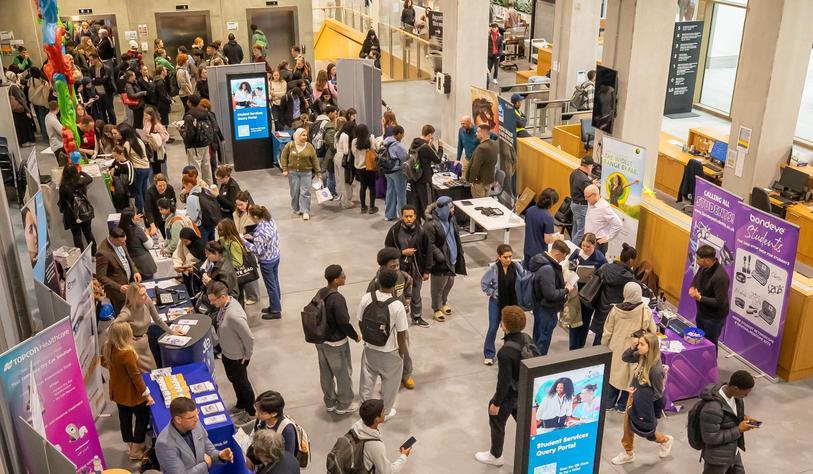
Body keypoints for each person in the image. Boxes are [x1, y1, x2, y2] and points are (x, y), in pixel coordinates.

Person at [475, 306, 530, 466]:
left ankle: (496, 455)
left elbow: (504, 381)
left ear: (504, 326)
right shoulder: (526, 338)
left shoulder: (505, 353)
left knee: (496, 419)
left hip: (510, 394)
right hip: (524, 391)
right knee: (524, 422)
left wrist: (496, 403)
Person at [611, 332, 674, 465]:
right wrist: (633, 347)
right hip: (634, 396)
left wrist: (644, 404)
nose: (639, 346)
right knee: (628, 426)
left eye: (642, 344)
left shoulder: (656, 370)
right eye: (639, 343)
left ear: (650, 347)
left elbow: (658, 393)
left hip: (643, 402)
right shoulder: (642, 357)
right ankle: (628, 453)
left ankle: (665, 440)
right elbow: (625, 357)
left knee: (644, 430)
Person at [358, 268, 409, 418]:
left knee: (367, 379)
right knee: (390, 383)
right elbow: (401, 332)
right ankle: (384, 413)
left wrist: (367, 339)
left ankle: (364, 409)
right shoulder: (397, 305)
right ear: (394, 285)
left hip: (370, 348)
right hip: (390, 351)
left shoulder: (367, 298)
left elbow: (360, 321)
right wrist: (401, 352)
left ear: (378, 281)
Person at [102, 322, 154, 461]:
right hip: (133, 395)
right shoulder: (127, 353)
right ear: (125, 335)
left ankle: (131, 445)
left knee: (124, 419)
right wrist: (147, 395)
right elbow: (136, 377)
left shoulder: (108, 347)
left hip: (118, 393)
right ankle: (136, 450)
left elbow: (103, 362)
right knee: (142, 418)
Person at [314, 265, 361, 414]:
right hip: (336, 343)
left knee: (325, 372)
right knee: (343, 374)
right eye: (342, 276)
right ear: (335, 280)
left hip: (320, 340)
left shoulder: (321, 292)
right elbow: (343, 322)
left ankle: (329, 401)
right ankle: (344, 404)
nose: (345, 276)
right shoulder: (337, 299)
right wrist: (355, 336)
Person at [603, 282, 656, 411]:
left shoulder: (615, 310)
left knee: (614, 375)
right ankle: (623, 405)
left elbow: (607, 331)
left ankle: (609, 403)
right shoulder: (645, 310)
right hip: (635, 349)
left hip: (616, 347)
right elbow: (653, 331)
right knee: (630, 378)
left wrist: (604, 346)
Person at [208, 281, 256, 425]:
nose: (211, 303)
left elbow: (249, 337)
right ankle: (241, 404)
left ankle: (251, 412)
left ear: (222, 297)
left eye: (213, 300)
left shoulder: (234, 315)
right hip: (227, 353)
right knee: (234, 380)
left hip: (237, 357)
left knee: (242, 383)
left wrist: (247, 355)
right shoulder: (224, 307)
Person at [368, 248, 415, 389]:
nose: (396, 269)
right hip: (384, 324)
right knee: (386, 352)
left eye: (398, 265)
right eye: (392, 267)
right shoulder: (376, 283)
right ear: (382, 267)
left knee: (404, 348)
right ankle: (388, 378)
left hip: (401, 320)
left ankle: (406, 375)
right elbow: (370, 302)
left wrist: (407, 299)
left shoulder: (402, 276)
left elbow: (409, 283)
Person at [698, 370, 757, 474]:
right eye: (746, 393)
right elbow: (710, 438)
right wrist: (739, 429)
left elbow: (729, 414)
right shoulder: (712, 409)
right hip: (717, 459)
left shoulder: (736, 397)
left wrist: (743, 417)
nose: (746, 396)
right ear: (735, 388)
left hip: (733, 451)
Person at [155, 397, 234, 473]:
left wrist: (219, 455)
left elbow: (210, 450)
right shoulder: (164, 444)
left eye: (197, 413)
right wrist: (205, 464)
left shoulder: (195, 423)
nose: (196, 418)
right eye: (192, 417)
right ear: (178, 419)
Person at [385, 205, 432, 327]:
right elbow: (387, 250)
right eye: (406, 216)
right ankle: (396, 319)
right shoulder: (394, 231)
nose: (409, 219)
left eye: (411, 216)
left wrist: (427, 270)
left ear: (415, 216)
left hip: (416, 269)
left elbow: (429, 251)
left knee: (416, 294)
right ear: (402, 216)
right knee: (397, 295)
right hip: (399, 270)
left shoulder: (422, 231)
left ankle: (416, 317)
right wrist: (401, 253)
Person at [114, 282, 177, 370]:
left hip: (144, 343)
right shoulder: (126, 312)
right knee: (142, 374)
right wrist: (126, 337)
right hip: (133, 348)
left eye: (146, 292)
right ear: (134, 298)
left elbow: (157, 319)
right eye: (143, 294)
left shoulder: (147, 301)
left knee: (153, 369)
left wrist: (172, 332)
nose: (146, 295)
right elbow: (111, 328)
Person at [424, 196, 467, 322]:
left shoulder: (451, 219)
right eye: (450, 208)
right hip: (440, 261)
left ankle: (443, 302)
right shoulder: (430, 224)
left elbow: (455, 235)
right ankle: (436, 308)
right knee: (438, 286)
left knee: (449, 283)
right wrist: (439, 255)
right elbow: (429, 244)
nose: (453, 210)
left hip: (452, 258)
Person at [527, 240, 572, 355]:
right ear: (557, 254)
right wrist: (566, 290)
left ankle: (533, 364)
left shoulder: (540, 260)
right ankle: (538, 367)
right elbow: (550, 294)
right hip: (547, 310)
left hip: (539, 307)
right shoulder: (548, 269)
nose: (563, 260)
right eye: (563, 257)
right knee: (542, 341)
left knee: (537, 337)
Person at [480, 244, 523, 365]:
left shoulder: (516, 266)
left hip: (511, 302)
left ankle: (509, 353)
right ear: (499, 257)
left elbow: (524, 277)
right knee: (493, 327)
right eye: (505, 257)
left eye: (510, 256)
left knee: (510, 329)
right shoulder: (493, 269)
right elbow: (484, 284)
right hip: (496, 302)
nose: (508, 259)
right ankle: (489, 354)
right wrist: (492, 293)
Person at [591, 243, 639, 346]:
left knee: (598, 339)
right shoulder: (628, 277)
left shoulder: (606, 267)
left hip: (601, 307)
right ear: (631, 260)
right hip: (616, 312)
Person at [567, 233, 607, 349]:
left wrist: (594, 277)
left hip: (589, 295)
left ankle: (580, 346)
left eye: (588, 247)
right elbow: (569, 268)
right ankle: (573, 347)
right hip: (576, 292)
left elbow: (603, 276)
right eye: (583, 245)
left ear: (594, 245)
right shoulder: (576, 254)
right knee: (574, 320)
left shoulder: (600, 259)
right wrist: (574, 268)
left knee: (585, 321)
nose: (585, 248)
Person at [689, 245, 731, 351]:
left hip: (714, 317)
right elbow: (696, 278)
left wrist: (700, 298)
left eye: (698, 258)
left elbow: (720, 302)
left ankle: (711, 367)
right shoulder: (703, 267)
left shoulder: (720, 277)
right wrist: (692, 287)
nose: (696, 260)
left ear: (707, 260)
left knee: (710, 343)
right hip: (702, 312)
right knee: (700, 339)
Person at [351, 399, 411, 472]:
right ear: (377, 419)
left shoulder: (356, 426)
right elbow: (387, 471)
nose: (385, 413)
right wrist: (404, 456)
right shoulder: (375, 446)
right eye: (383, 411)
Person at [244, 205, 282, 320]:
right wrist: (253, 237)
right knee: (275, 282)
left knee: (271, 286)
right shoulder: (269, 221)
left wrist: (245, 241)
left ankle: (276, 311)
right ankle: (275, 304)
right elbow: (266, 239)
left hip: (267, 261)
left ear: (255, 216)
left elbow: (258, 250)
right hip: (275, 256)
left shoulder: (260, 231)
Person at [96, 227, 142, 315]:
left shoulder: (120, 242)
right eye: (122, 242)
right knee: (124, 315)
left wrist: (135, 270)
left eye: (125, 241)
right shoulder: (103, 253)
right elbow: (101, 276)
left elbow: (127, 258)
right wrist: (119, 287)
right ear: (112, 239)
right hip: (118, 292)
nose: (124, 243)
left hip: (130, 285)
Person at [280, 128, 320, 220]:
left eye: (306, 135)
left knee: (305, 192)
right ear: (297, 135)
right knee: (295, 192)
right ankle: (296, 208)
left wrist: (318, 172)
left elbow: (315, 160)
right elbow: (283, 157)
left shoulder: (309, 146)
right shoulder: (290, 145)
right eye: (303, 135)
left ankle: (305, 211)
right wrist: (285, 169)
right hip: (293, 173)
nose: (305, 137)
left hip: (306, 173)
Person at [58, 165, 97, 254]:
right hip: (85, 211)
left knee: (76, 236)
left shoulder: (64, 187)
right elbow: (90, 178)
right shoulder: (81, 181)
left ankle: (82, 257)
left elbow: (62, 201)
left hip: (72, 214)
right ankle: (94, 253)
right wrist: (81, 172)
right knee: (88, 233)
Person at [408, 125, 443, 222]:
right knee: (427, 205)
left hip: (415, 178)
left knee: (417, 204)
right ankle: (429, 225)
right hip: (425, 180)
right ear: (430, 134)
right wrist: (440, 147)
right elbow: (438, 159)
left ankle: (418, 224)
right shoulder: (425, 147)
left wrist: (430, 145)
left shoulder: (414, 143)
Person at [115, 122, 150, 213]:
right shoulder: (138, 139)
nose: (117, 135)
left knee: (138, 191)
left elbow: (124, 157)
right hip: (146, 167)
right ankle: (147, 209)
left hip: (138, 169)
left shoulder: (127, 143)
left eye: (118, 133)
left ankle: (139, 211)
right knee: (143, 190)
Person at [250, 391, 299, 456]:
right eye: (256, 410)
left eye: (261, 412)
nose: (256, 414)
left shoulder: (287, 430)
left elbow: (289, 456)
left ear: (274, 413)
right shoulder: (261, 419)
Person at [522, 187, 561, 267]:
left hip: (527, 247)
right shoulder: (548, 217)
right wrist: (558, 237)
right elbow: (548, 240)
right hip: (539, 253)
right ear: (552, 203)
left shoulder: (530, 210)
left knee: (527, 272)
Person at [182, 94, 214, 184]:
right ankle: (209, 191)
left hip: (194, 147)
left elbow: (190, 135)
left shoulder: (189, 116)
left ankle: (199, 191)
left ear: (189, 103)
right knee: (207, 169)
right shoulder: (205, 113)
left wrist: (181, 132)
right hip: (205, 144)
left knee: (196, 170)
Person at [119, 208, 158, 279]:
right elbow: (149, 245)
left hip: (130, 264)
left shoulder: (120, 230)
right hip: (143, 264)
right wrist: (147, 235)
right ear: (131, 218)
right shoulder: (137, 230)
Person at [584, 184, 622, 255]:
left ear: (595, 195)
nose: (585, 199)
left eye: (587, 197)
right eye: (585, 196)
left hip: (597, 243)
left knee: (596, 265)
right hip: (587, 239)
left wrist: (608, 238)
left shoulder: (604, 208)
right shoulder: (591, 202)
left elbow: (618, 224)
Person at [380, 125, 409, 220]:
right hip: (397, 171)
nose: (403, 137)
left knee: (390, 191)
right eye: (403, 134)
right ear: (399, 134)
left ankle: (389, 215)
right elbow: (405, 158)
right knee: (401, 194)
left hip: (387, 171)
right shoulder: (398, 146)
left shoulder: (385, 141)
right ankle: (402, 217)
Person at [569, 156, 596, 246]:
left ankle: (571, 245)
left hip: (574, 204)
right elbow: (589, 193)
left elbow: (581, 185)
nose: (592, 168)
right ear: (588, 166)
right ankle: (571, 250)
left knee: (576, 228)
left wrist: (590, 183)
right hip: (581, 207)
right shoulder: (584, 180)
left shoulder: (574, 172)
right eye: (592, 166)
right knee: (581, 231)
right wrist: (594, 186)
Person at [352, 123, 379, 214]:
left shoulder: (354, 141)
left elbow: (353, 153)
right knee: (372, 187)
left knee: (363, 186)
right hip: (370, 167)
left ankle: (363, 207)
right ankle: (372, 207)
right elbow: (375, 149)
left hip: (360, 167)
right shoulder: (371, 138)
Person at [466, 124, 498, 197]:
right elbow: (494, 162)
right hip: (489, 181)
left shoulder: (481, 148)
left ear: (483, 134)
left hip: (479, 183)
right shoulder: (494, 144)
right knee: (485, 204)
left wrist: (471, 180)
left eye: (477, 132)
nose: (476, 134)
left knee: (478, 205)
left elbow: (475, 167)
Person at [7, 71, 36, 146]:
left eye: (15, 76)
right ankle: (25, 141)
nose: (15, 78)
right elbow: (20, 99)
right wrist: (27, 110)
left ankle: (25, 141)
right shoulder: (13, 87)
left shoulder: (13, 85)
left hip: (19, 110)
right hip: (21, 109)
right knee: (24, 125)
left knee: (23, 125)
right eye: (13, 77)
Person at [173, 226, 205, 296]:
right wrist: (177, 265)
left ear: (192, 238)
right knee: (188, 291)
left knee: (196, 293)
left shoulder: (201, 245)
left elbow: (206, 261)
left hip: (197, 274)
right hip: (186, 272)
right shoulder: (182, 241)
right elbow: (178, 254)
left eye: (186, 241)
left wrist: (195, 268)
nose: (184, 243)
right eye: (182, 241)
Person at [335, 119, 355, 209]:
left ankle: (341, 198)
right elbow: (346, 151)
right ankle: (345, 202)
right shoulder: (345, 136)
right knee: (344, 180)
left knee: (338, 180)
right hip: (343, 159)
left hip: (336, 157)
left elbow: (334, 146)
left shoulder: (337, 134)